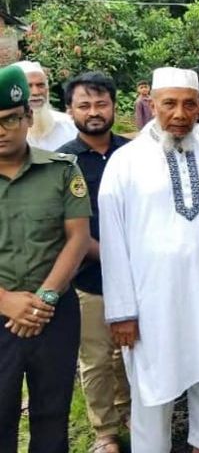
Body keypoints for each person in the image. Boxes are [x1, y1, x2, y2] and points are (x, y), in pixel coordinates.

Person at [99, 67, 199, 453]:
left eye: (189, 104)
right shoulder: (124, 162)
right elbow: (112, 242)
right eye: (169, 104)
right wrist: (122, 312)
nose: (180, 114)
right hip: (150, 304)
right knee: (152, 387)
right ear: (151, 103)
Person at [0, 64, 90, 453]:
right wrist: (6, 302)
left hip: (53, 314)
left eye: (9, 120)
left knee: (52, 416)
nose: (1, 131)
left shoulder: (61, 171)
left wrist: (45, 300)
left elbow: (78, 237)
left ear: (27, 117)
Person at [58, 72, 131, 453]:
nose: (94, 112)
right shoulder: (63, 162)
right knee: (97, 359)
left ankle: (130, 409)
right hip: (90, 278)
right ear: (70, 110)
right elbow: (71, 230)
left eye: (101, 103)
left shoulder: (133, 154)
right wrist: (114, 257)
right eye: (84, 105)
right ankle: (105, 431)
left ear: (114, 107)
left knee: (130, 350)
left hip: (137, 275)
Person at [14, 60, 78, 150]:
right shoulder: (5, 132)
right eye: (28, 86)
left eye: (40, 85)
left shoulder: (68, 125)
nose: (36, 92)